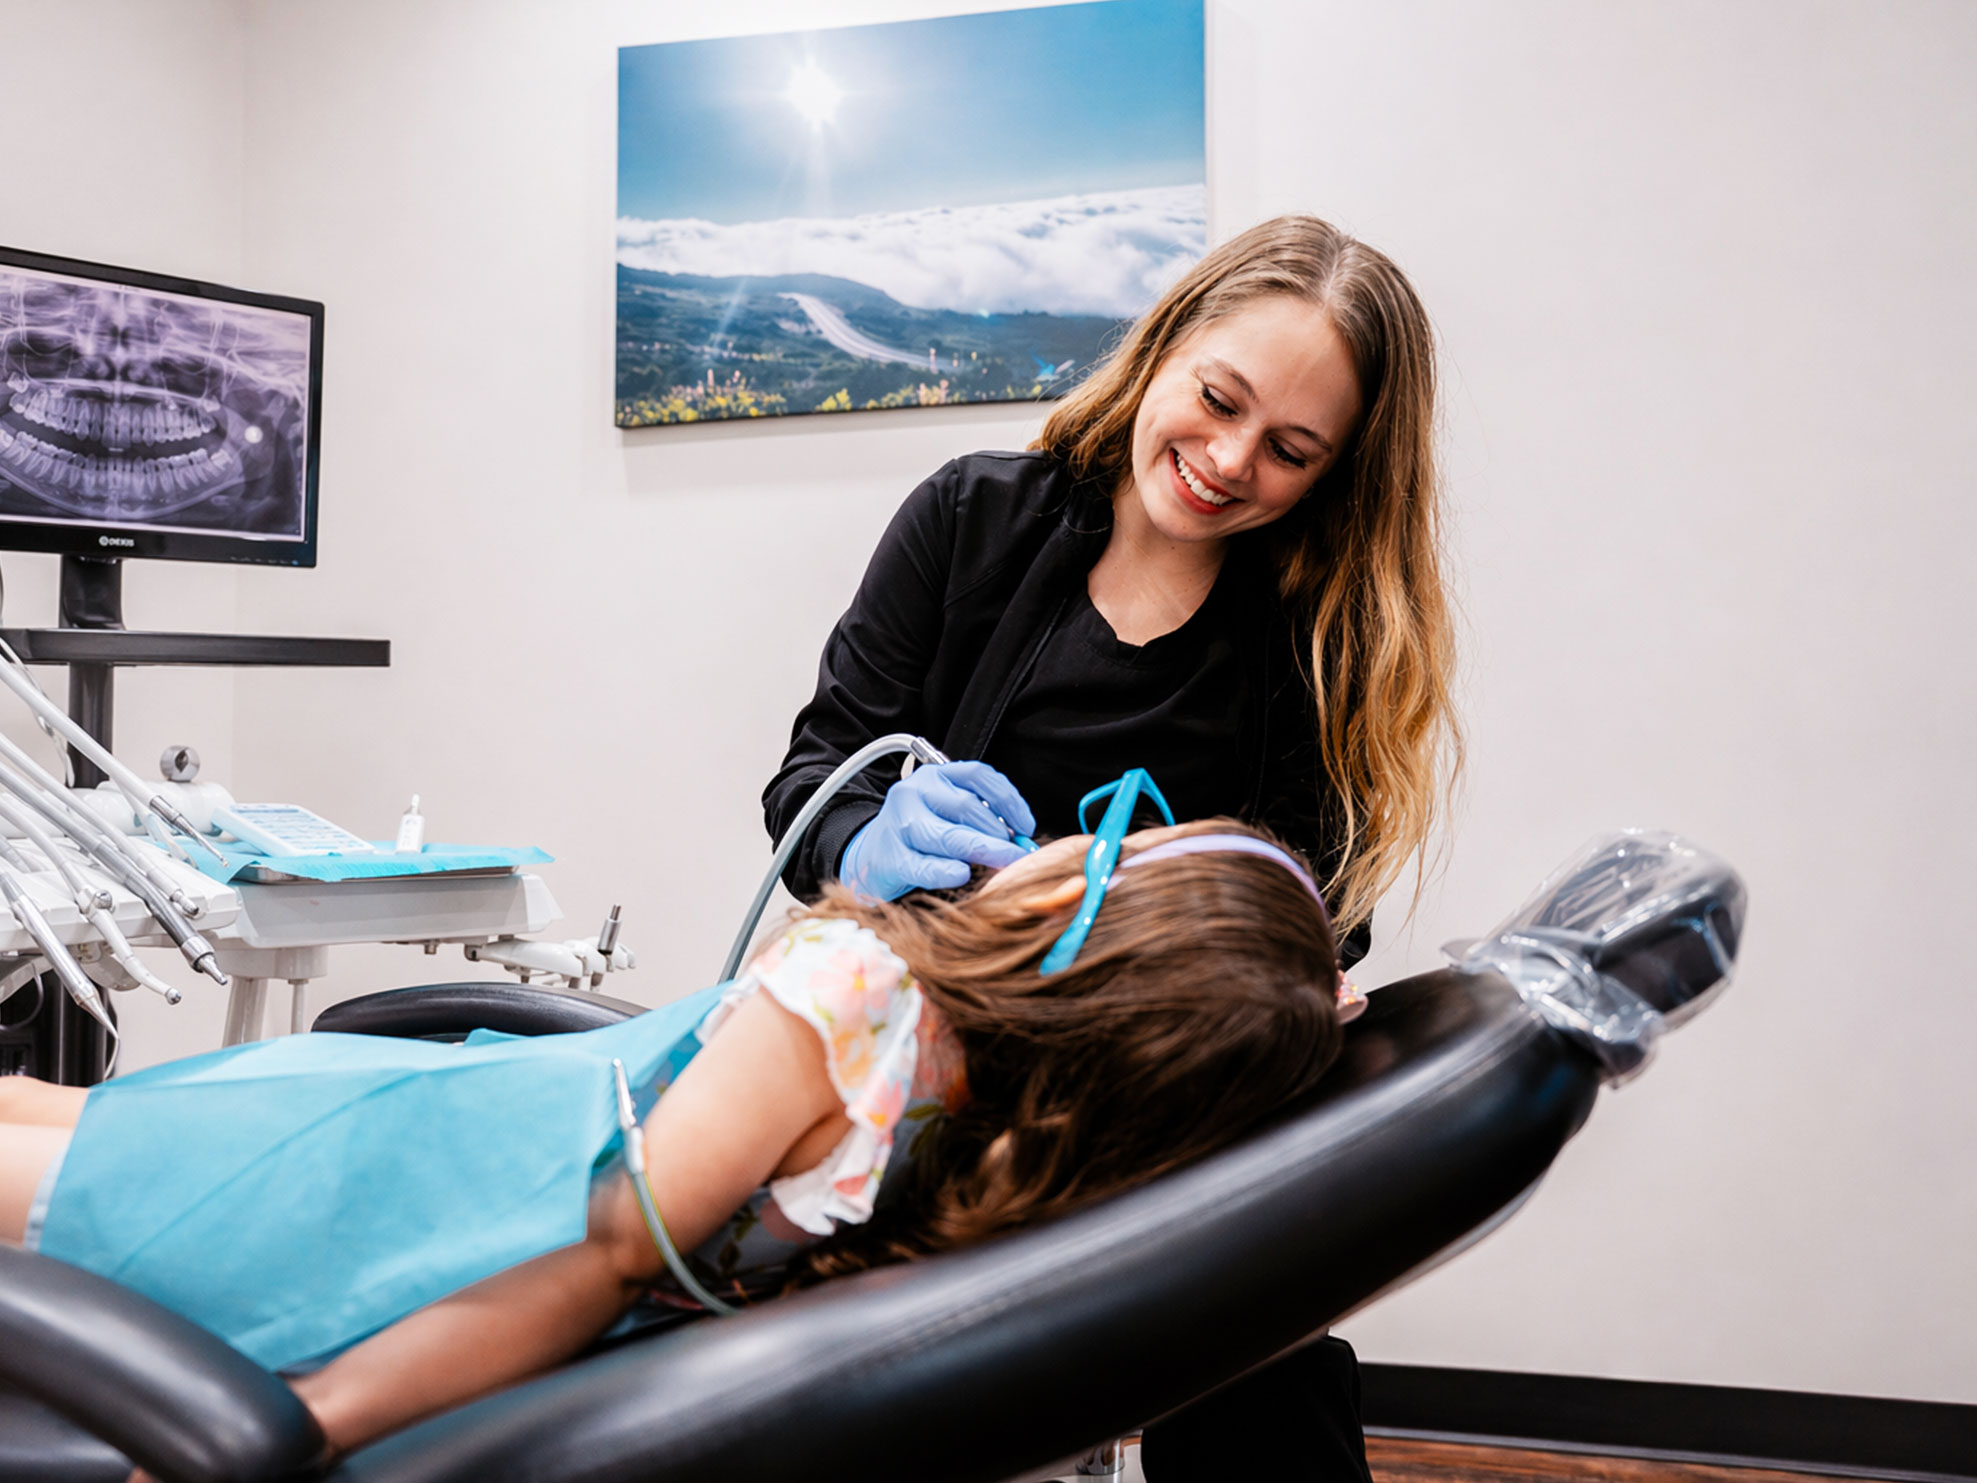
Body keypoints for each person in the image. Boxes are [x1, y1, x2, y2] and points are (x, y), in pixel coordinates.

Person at [765, 214, 1462, 1479]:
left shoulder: (1317, 638)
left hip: (1162, 1092)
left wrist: (1280, 964)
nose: (1227, 460)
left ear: (1336, 474)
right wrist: (871, 840)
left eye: (1291, 450)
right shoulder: (970, 521)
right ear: (1170, 340)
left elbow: (1325, 910)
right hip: (924, 1051)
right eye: (1217, 398)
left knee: (1261, 1364)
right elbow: (811, 784)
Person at [0, 816, 1342, 1465]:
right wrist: (1276, 1017)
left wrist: (303, 1418)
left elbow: (588, 1265)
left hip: (335, 1202)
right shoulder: (948, 1136)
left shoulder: (859, 993)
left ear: (1083, 911)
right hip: (353, 1143)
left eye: (1120, 839)